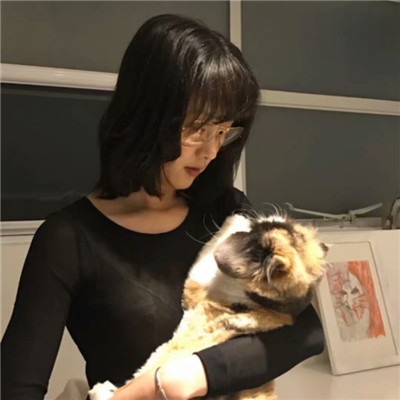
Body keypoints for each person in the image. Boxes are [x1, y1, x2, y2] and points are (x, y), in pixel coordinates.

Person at [1, 14, 324, 400]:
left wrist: (182, 377)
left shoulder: (227, 212)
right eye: (198, 128)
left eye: (223, 131)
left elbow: (305, 330)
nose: (211, 151)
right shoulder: (68, 240)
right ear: (149, 114)